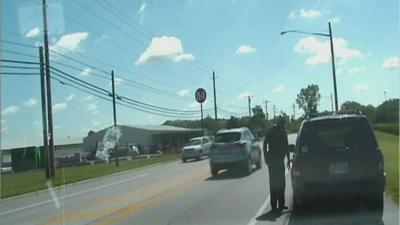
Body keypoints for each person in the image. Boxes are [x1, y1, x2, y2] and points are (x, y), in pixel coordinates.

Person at [263, 115, 290, 212]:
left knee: (279, 182)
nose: (283, 125)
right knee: (277, 182)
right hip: (274, 160)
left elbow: (286, 146)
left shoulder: (281, 131)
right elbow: (265, 143)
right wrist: (266, 157)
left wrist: (288, 159)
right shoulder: (272, 131)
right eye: (283, 123)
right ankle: (275, 205)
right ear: (280, 123)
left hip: (277, 160)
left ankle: (280, 204)